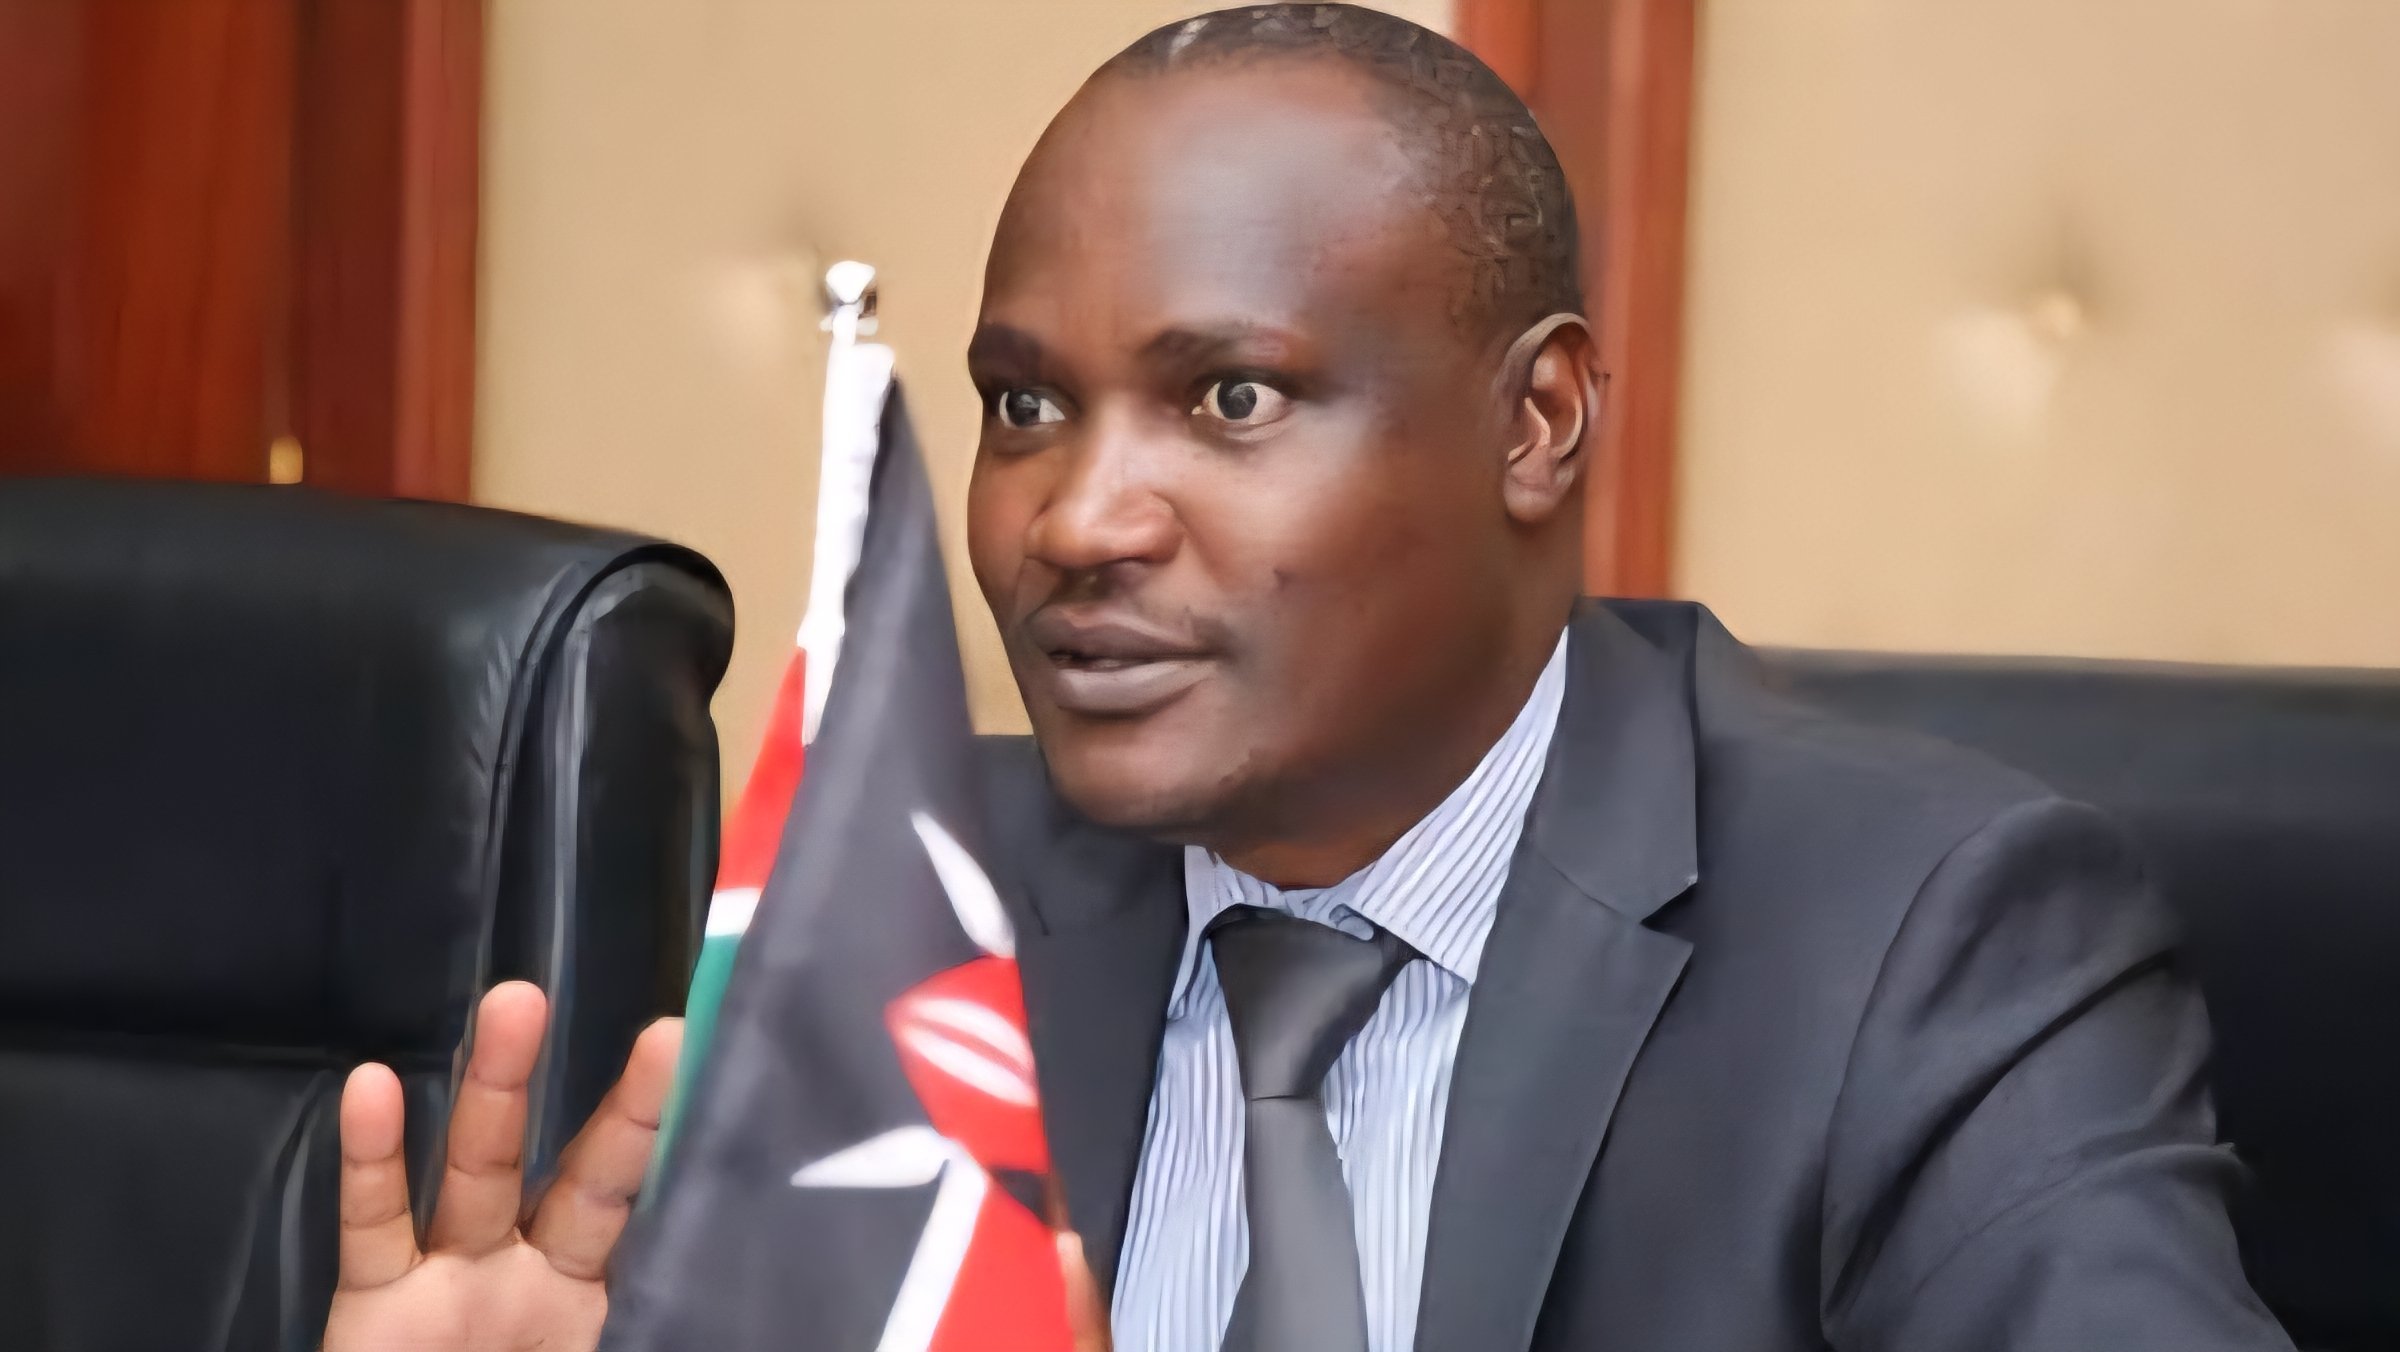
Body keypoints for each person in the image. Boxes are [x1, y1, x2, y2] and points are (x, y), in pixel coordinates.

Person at [322, 7, 2297, 1350]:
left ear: (1537, 422)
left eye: (1230, 395)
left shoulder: (1932, 945)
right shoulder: (913, 919)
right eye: (1025, 403)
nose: (1076, 515)